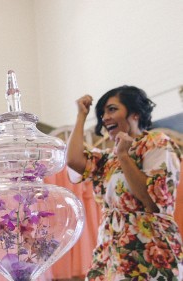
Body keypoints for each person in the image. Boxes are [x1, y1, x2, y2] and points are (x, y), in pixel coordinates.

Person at [66, 85, 183, 280]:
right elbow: (73, 160)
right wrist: (81, 115)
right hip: (111, 254)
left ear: (135, 113)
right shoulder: (107, 158)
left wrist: (124, 156)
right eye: (102, 113)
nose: (105, 117)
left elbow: (152, 202)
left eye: (112, 109)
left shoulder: (156, 142)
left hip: (149, 251)